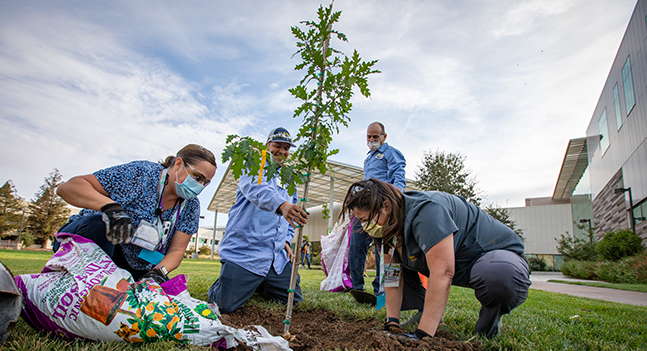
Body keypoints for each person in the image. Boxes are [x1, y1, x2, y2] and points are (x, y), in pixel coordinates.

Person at [341, 178, 531, 339]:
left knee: (497, 277)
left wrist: (423, 335)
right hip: (459, 263)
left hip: (496, 258)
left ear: (386, 206)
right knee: (399, 263)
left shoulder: (426, 212)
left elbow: (443, 272)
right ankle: (426, 312)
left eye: (366, 220)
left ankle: (487, 326)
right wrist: (392, 323)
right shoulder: (389, 226)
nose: (364, 226)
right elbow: (393, 276)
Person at [55, 144, 217, 283]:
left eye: (205, 182)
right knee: (99, 225)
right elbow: (68, 188)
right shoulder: (141, 174)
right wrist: (110, 208)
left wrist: (158, 273)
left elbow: (177, 251)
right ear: (179, 164)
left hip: (135, 262)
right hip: (86, 241)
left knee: (159, 297)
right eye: (197, 177)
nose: (200, 185)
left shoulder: (191, 206)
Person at [208, 127, 308, 313]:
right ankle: (227, 280)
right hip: (246, 253)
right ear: (267, 145)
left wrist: (286, 239)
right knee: (224, 305)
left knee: (293, 301)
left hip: (274, 257)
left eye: (286, 148)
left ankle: (260, 283)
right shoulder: (253, 166)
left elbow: (289, 219)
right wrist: (282, 205)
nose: (282, 152)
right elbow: (258, 190)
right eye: (278, 146)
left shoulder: (288, 180)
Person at [349, 122, 406, 299]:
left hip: (382, 208)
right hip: (365, 208)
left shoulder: (391, 153)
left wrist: (393, 202)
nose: (372, 140)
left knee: (386, 251)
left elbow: (398, 176)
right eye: (369, 137)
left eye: (376, 136)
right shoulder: (368, 158)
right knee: (356, 246)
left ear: (384, 137)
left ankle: (384, 292)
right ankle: (357, 287)